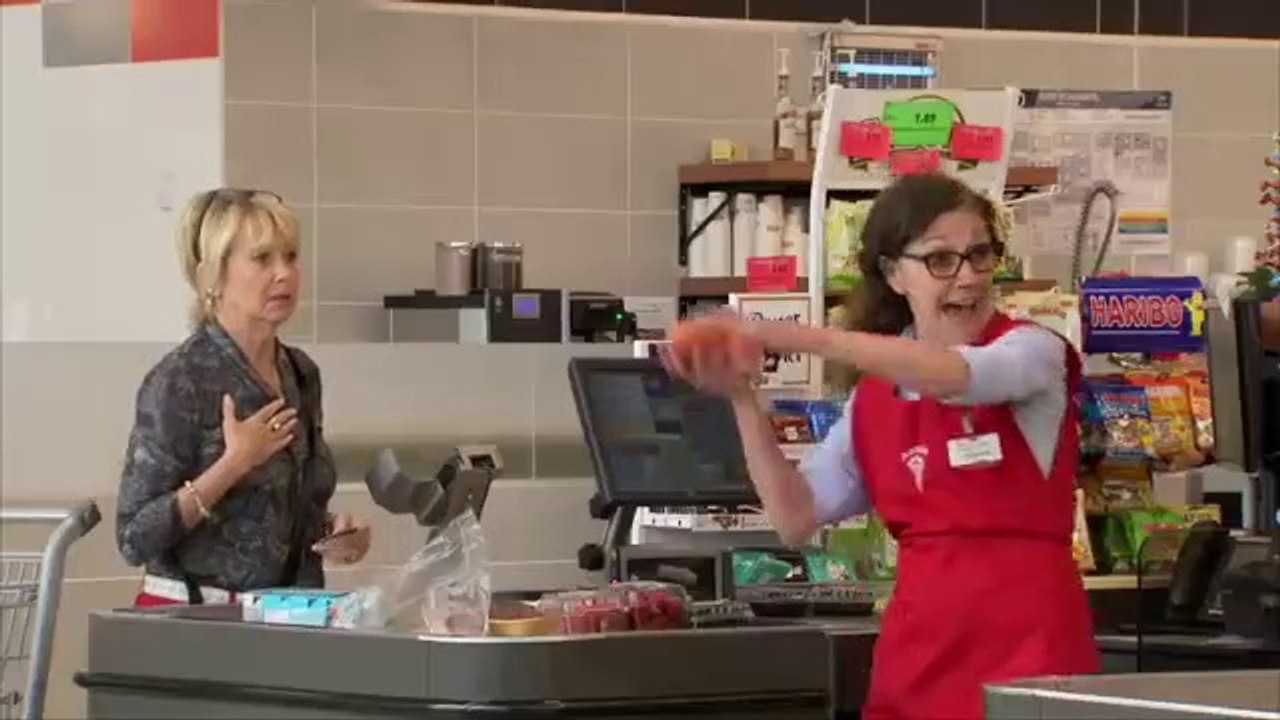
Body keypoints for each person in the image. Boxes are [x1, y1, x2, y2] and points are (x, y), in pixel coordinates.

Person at [662, 173, 1100, 720]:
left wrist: (784, 333)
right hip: (919, 662)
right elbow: (795, 517)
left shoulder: (1033, 352)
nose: (967, 278)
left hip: (1032, 657)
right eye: (941, 260)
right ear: (895, 274)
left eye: (980, 255)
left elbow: (954, 376)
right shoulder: (872, 399)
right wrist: (743, 399)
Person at [116, 188, 371, 607]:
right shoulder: (181, 381)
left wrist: (332, 534)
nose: (284, 273)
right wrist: (233, 464)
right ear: (213, 276)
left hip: (287, 619)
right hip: (192, 623)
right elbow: (134, 537)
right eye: (262, 258)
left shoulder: (301, 374)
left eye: (290, 257)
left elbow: (278, 516)